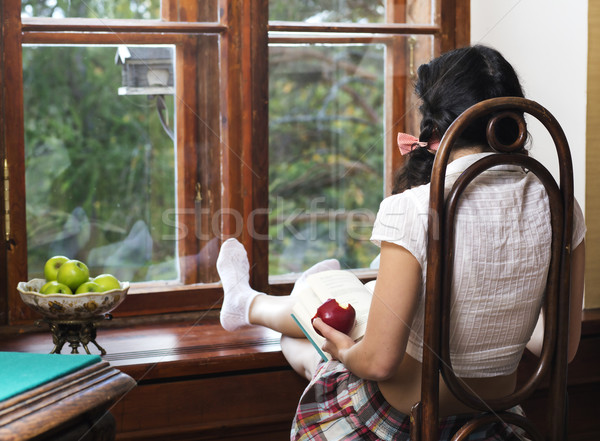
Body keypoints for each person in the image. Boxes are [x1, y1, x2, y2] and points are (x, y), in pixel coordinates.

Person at [216, 44, 587, 440]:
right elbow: (560, 348)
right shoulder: (562, 206)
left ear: (434, 120)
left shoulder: (412, 207)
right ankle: (248, 303)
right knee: (330, 327)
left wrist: (342, 350)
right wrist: (507, 301)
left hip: (404, 420)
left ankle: (250, 301)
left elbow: (377, 364)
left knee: (313, 340)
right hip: (492, 415)